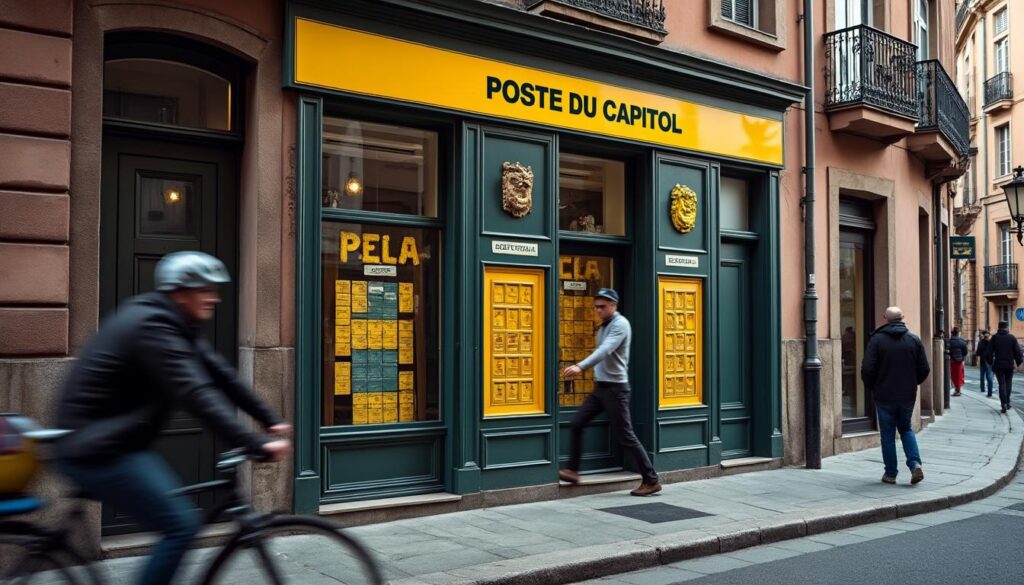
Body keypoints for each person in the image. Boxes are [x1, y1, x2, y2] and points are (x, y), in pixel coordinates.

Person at [54, 251, 291, 585]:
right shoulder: (153, 327)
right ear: (180, 293)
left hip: (119, 442)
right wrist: (253, 443)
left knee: (177, 517)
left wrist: (268, 418)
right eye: (205, 290)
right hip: (94, 447)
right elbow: (196, 393)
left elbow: (221, 374)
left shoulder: (178, 325)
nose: (214, 298)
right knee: (181, 526)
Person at [559, 288, 661, 496]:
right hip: (601, 388)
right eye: (596, 306)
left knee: (626, 436)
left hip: (616, 389)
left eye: (602, 306)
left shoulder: (620, 325)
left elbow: (605, 350)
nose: (598, 310)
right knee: (577, 423)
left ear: (614, 305)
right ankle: (572, 471)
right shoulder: (603, 325)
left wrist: (580, 366)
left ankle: (651, 480)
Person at [860, 306, 929, 485]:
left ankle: (890, 473)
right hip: (907, 394)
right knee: (906, 429)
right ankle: (915, 464)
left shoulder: (877, 340)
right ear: (902, 317)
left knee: (887, 434)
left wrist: (872, 385)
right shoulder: (913, 340)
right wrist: (913, 383)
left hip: (884, 394)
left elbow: (867, 368)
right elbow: (924, 369)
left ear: (885, 318)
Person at [989, 320, 1023, 414]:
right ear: (1007, 327)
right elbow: (1018, 352)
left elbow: (989, 352)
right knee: (1008, 383)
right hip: (1009, 365)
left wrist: (990, 362)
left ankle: (1003, 403)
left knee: (1001, 384)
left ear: (999, 327)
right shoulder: (1011, 338)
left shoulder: (995, 338)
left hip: (999, 365)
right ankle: (1007, 402)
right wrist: (1018, 362)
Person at [947, 328, 968, 397]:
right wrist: (962, 357)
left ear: (952, 333)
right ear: (958, 333)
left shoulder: (950, 342)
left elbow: (948, 351)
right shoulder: (962, 342)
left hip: (953, 360)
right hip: (960, 361)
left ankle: (957, 390)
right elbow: (965, 352)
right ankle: (958, 390)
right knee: (959, 375)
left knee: (954, 375)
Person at [976, 330, 995, 397]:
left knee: (983, 376)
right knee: (988, 377)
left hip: (984, 361)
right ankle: (988, 391)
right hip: (989, 362)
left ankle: (983, 389)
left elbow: (978, 353)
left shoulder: (981, 342)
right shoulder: (991, 342)